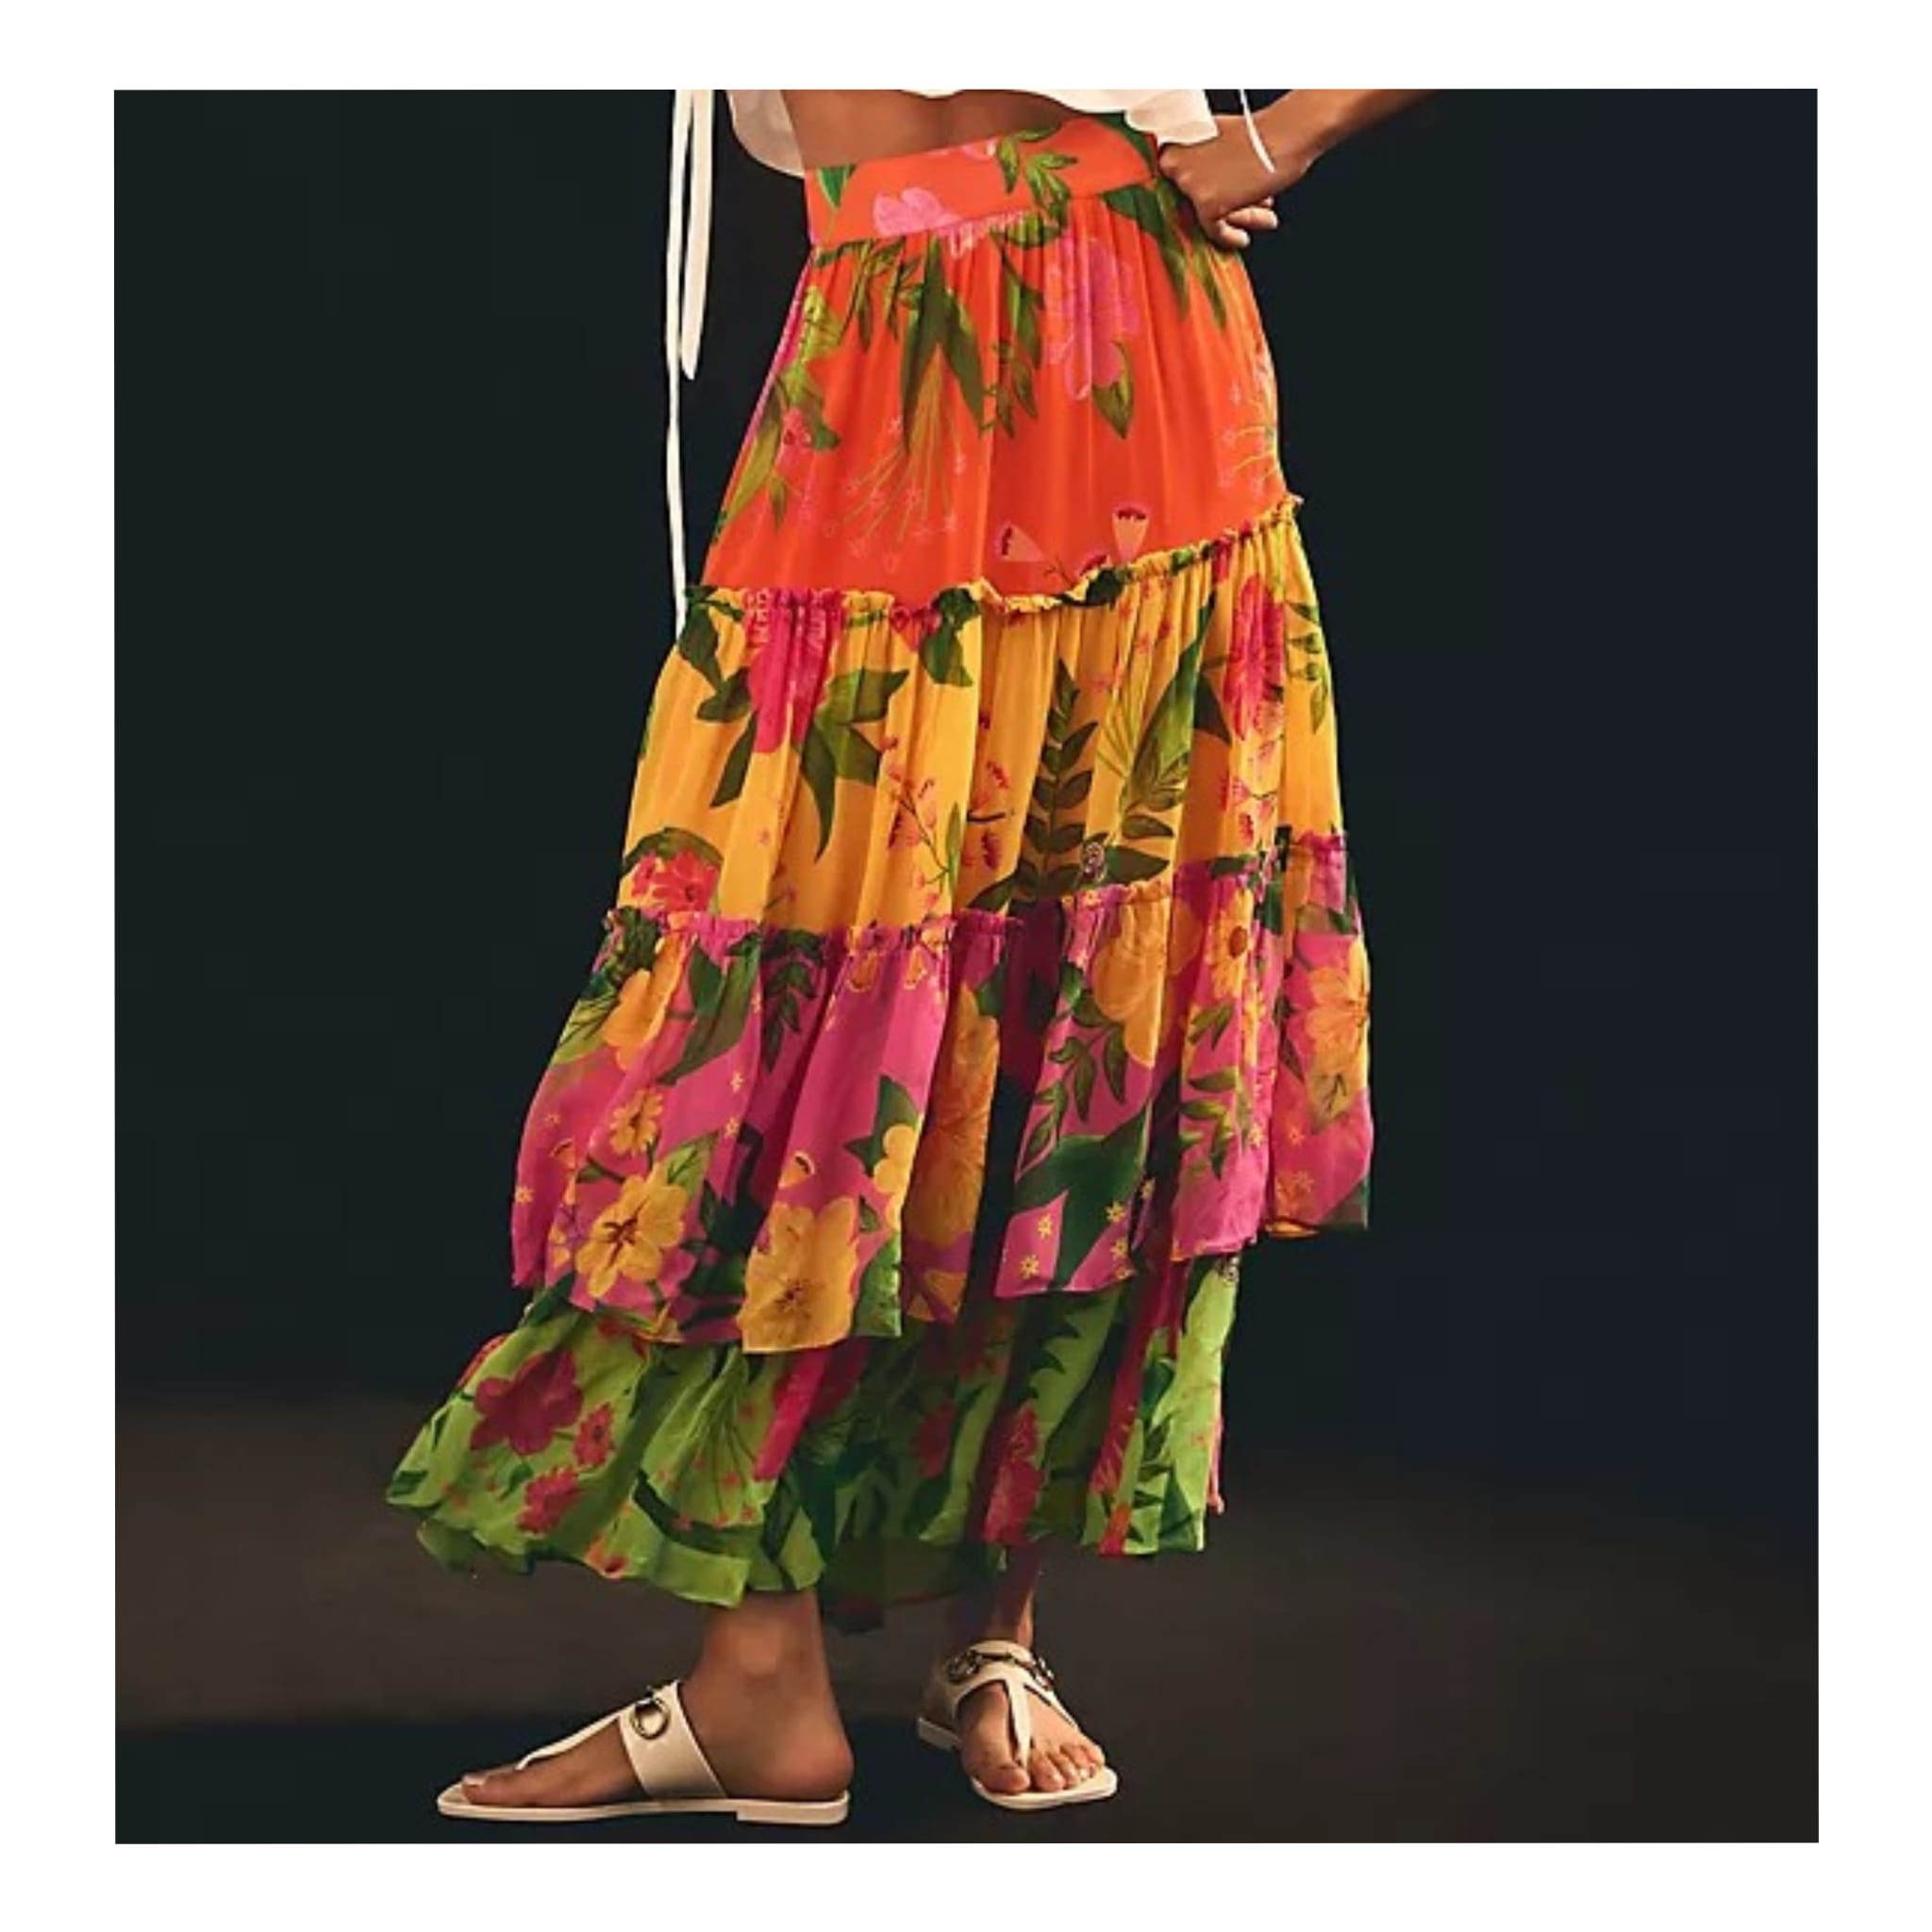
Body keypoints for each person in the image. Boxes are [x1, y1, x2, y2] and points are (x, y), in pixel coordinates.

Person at [387, 85, 1422, 1826]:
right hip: (873, 339)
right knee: (802, 1010)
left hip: (1125, 354)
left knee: (1074, 989)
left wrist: (1280, 133)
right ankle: (760, 1678)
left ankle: (996, 1636)